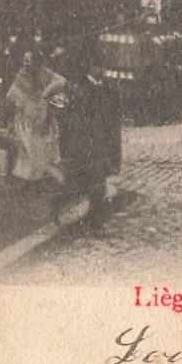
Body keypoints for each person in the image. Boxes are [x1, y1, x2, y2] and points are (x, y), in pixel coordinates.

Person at [61, 40, 122, 232]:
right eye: (99, 66)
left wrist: (114, 148)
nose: (102, 70)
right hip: (84, 143)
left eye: (103, 67)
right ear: (92, 67)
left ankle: (96, 221)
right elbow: (71, 119)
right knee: (85, 183)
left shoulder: (107, 89)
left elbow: (113, 120)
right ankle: (88, 220)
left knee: (97, 183)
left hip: (101, 144)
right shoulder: (81, 89)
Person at [5, 46, 67, 186]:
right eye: (24, 60)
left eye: (28, 60)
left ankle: (38, 179)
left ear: (36, 62)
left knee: (42, 150)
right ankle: (29, 180)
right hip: (25, 121)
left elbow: (61, 80)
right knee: (27, 150)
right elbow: (12, 97)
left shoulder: (44, 73)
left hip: (43, 119)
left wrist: (46, 92)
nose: (25, 63)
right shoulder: (21, 75)